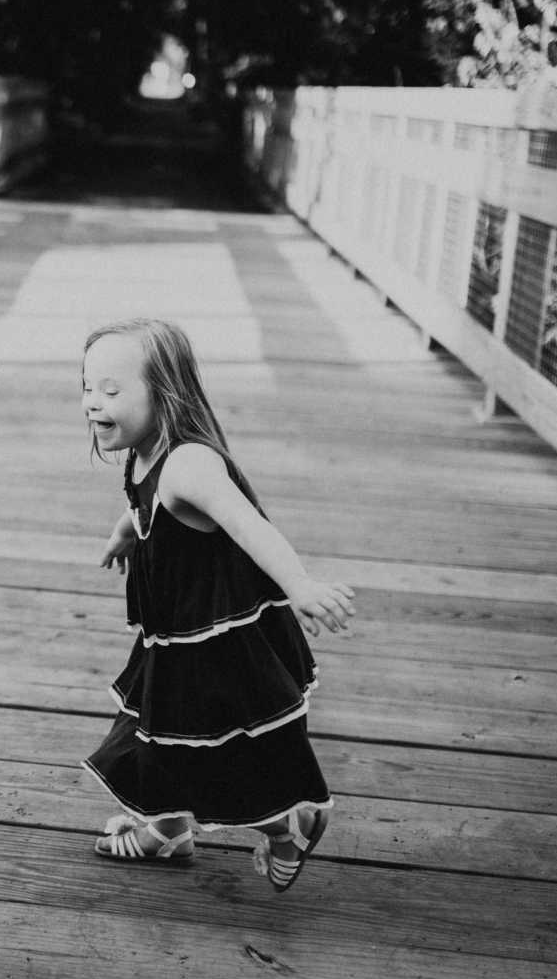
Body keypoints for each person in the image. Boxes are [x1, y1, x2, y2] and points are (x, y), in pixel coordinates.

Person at [78, 318, 354, 892]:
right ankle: (169, 828)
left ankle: (291, 822)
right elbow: (146, 501)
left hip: (215, 646)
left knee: (213, 753)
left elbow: (249, 526)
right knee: (156, 734)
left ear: (165, 394)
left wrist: (300, 586)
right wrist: (128, 529)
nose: (92, 403)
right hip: (173, 632)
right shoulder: (148, 450)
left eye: (111, 391)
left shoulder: (190, 463)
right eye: (87, 387)